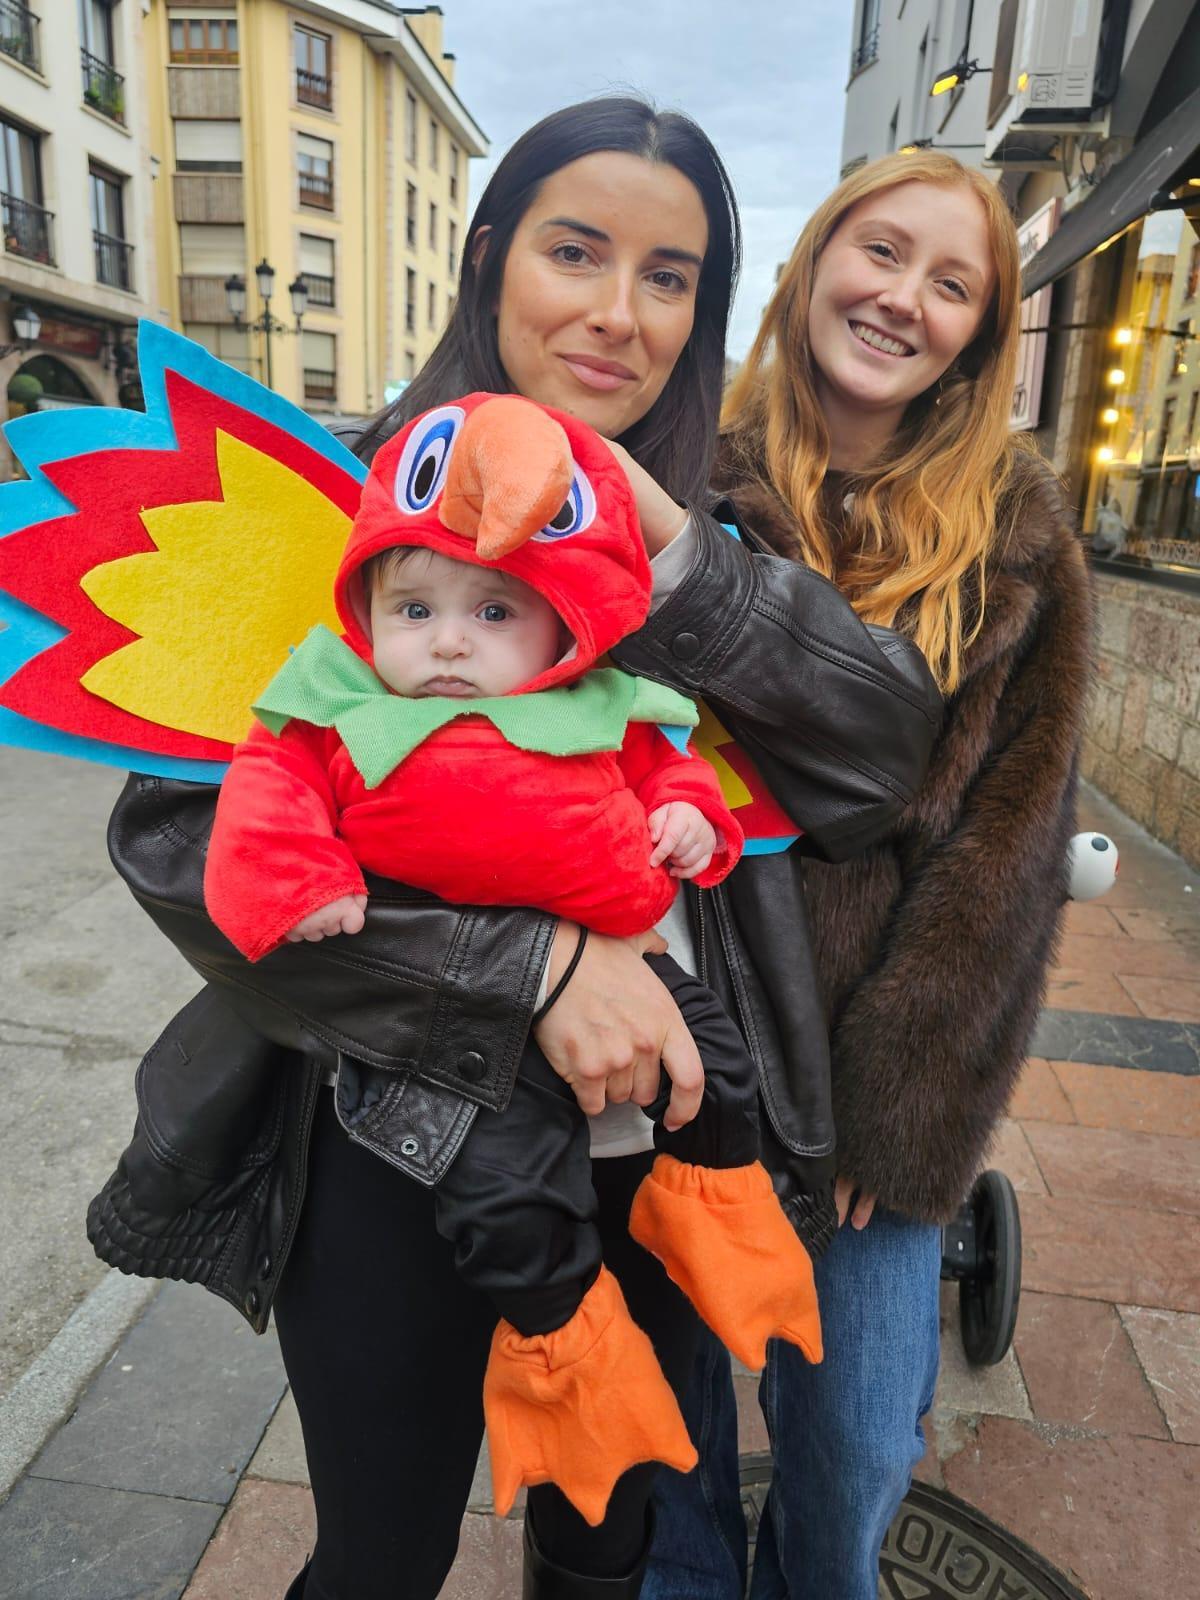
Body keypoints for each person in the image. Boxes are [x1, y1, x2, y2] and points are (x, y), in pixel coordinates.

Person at [88, 99, 941, 1600]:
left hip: (669, 1145)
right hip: (383, 1138)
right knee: (380, 1554)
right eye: (576, 251)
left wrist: (657, 538)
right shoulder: (348, 501)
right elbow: (180, 844)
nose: (619, 314)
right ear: (490, 262)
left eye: (671, 277)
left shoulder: (717, 530)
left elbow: (877, 764)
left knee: (612, 1548)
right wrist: (538, 967)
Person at [202, 390, 821, 1527]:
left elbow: (672, 771)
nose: (447, 640)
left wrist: (692, 820)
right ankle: (570, 1354)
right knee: (504, 1195)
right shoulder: (332, 704)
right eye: (416, 606)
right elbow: (264, 805)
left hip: (635, 957)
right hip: (454, 1028)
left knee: (718, 1071)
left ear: (559, 628)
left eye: (494, 611)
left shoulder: (600, 704)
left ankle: (720, 1214)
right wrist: (306, 884)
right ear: (365, 609)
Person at [641, 151, 1093, 1599]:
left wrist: (893, 1116)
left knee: (846, 1468)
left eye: (950, 282)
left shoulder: (1018, 534)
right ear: (816, 254)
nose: (902, 299)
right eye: (881, 251)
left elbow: (1008, 857)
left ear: (979, 328)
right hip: (673, 1054)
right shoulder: (683, 467)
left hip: (860, 1116)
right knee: (663, 1454)